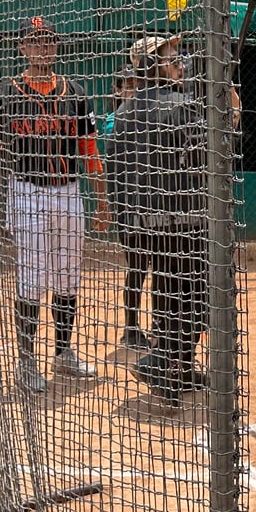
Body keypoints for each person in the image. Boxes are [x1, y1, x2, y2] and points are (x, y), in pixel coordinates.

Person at [0, 16, 109, 393]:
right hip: (27, 191)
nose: (43, 47)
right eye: (35, 41)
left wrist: (100, 201)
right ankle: (26, 362)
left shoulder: (75, 91)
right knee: (31, 278)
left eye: (49, 40)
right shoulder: (6, 92)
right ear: (22, 48)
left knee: (69, 276)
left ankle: (64, 352)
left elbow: (89, 150)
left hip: (69, 191)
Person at [107, 34, 209, 401]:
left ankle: (177, 370)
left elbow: (114, 172)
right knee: (195, 299)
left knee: (168, 296)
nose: (181, 61)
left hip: (145, 223)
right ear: (151, 65)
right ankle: (162, 365)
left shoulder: (125, 111)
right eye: (172, 57)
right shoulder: (184, 105)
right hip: (186, 220)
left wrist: (125, 221)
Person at [101, 65, 151, 350]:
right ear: (118, 91)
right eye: (128, 85)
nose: (134, 89)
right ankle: (131, 328)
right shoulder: (113, 120)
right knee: (137, 267)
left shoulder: (149, 115)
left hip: (154, 204)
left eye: (138, 84)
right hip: (128, 206)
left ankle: (159, 325)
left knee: (164, 269)